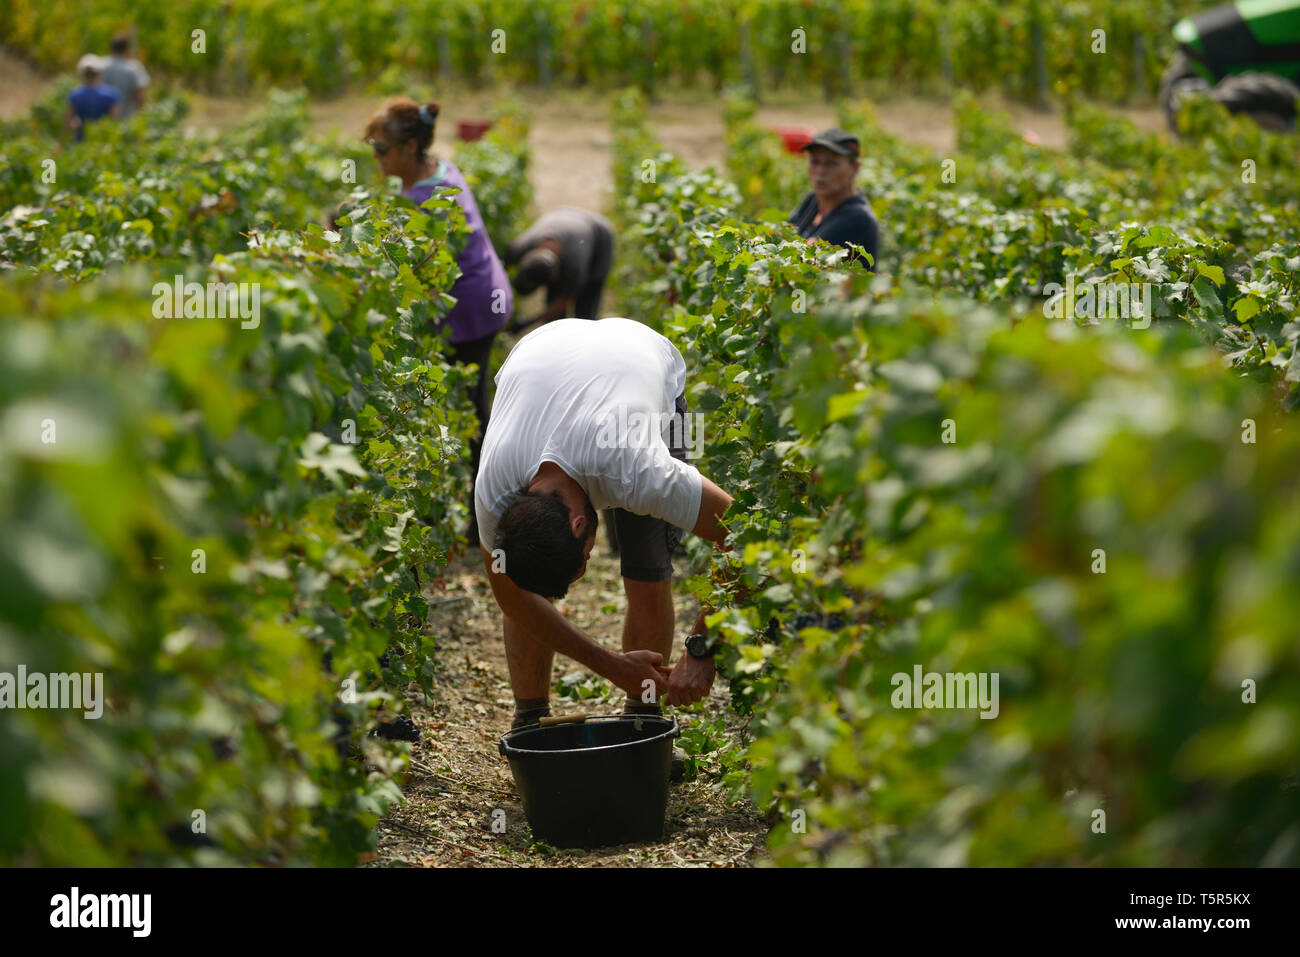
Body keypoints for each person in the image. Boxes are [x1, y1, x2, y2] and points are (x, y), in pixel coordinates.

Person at [474, 317, 736, 738]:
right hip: (540, 350)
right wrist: (610, 664)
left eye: (587, 558)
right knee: (527, 577)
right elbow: (514, 598)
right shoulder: (495, 490)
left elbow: (743, 533)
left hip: (641, 350)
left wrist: (703, 646)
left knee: (646, 572)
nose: (591, 558)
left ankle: (643, 721)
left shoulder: (641, 470)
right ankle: (531, 722)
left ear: (580, 525)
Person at [365, 98, 512, 544]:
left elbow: (407, 272)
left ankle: (481, 520)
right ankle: (479, 513)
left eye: (381, 149)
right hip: (484, 298)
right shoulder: (439, 171)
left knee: (469, 414)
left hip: (468, 311)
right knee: (471, 407)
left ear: (409, 148)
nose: (376, 158)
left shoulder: (423, 199)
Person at [503, 207, 614, 332]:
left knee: (585, 315)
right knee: (555, 320)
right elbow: (499, 277)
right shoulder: (519, 247)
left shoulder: (574, 264)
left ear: (554, 278)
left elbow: (564, 300)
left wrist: (528, 322)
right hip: (563, 217)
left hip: (599, 233)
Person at [788, 127, 879, 270]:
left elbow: (803, 254)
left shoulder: (857, 217)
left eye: (831, 163)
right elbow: (784, 233)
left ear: (854, 168)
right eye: (815, 161)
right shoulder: (813, 200)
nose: (820, 172)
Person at [66, 55, 120, 142]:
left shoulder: (76, 95)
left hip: (81, 142)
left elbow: (69, 124)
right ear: (99, 72)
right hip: (104, 142)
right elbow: (114, 122)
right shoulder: (110, 94)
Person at [100, 34, 150, 119]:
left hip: (103, 118)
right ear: (126, 49)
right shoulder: (134, 67)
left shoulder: (101, 65)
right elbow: (138, 95)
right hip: (127, 117)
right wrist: (142, 115)